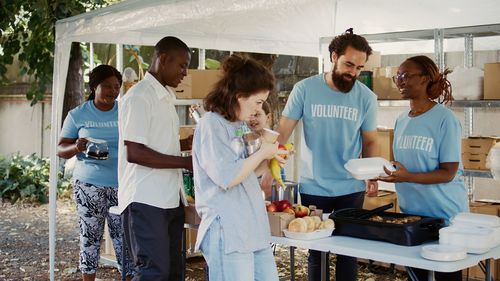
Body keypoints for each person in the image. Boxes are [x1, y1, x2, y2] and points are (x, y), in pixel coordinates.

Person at [275, 29, 379, 281]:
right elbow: (282, 133)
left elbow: (370, 140)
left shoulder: (366, 97)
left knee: (347, 252)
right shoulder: (304, 89)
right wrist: (270, 167)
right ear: (333, 56)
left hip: (351, 187)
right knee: (317, 252)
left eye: (359, 67)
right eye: (348, 64)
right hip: (313, 185)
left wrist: (372, 174)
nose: (353, 72)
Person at [192, 54, 283, 281]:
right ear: (239, 95)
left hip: (252, 227)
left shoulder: (238, 124)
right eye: (258, 102)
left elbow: (248, 173)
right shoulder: (211, 124)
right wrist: (263, 151)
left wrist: (271, 159)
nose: (258, 109)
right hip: (228, 229)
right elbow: (227, 176)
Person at [378, 55, 469, 281]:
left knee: (446, 276)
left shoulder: (444, 120)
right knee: (415, 276)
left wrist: (407, 176)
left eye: (407, 76)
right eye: (397, 76)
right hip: (413, 217)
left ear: (425, 79)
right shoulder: (401, 120)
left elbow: (448, 173)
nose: (400, 81)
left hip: (445, 218)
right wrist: (382, 172)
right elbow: (401, 166)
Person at [117, 36, 193, 280]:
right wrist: (184, 162)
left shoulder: (164, 96)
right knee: (153, 272)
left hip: (170, 197)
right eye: (181, 65)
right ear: (162, 60)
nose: (185, 72)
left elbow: (155, 142)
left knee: (173, 272)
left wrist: (184, 145)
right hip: (146, 199)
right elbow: (135, 152)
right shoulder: (139, 96)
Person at [57, 64, 134, 281]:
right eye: (107, 86)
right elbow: (61, 149)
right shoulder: (78, 114)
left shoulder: (125, 111)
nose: (112, 91)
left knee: (124, 240)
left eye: (116, 87)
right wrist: (77, 147)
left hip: (122, 184)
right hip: (89, 186)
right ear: (94, 86)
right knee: (90, 238)